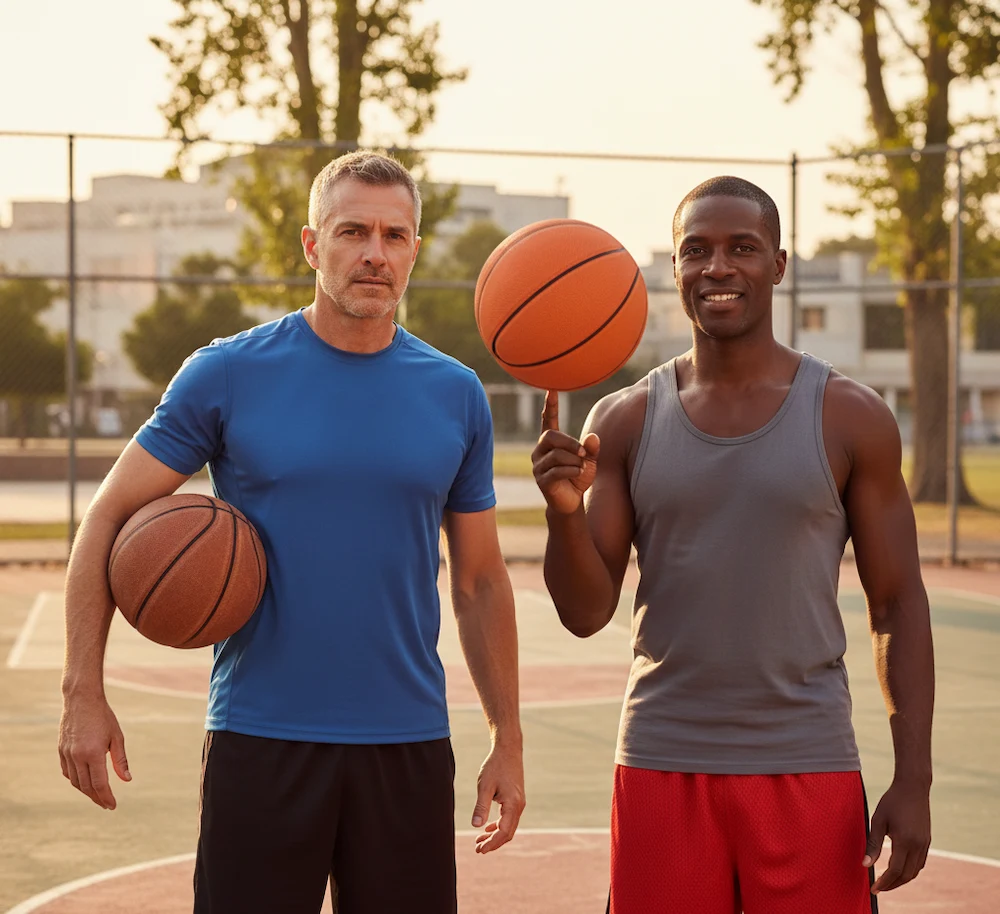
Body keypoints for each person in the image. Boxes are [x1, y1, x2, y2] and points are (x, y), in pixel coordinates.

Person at [58, 151, 525, 913]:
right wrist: (83, 690)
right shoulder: (227, 374)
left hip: (405, 744)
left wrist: (508, 738)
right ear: (313, 246)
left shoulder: (455, 394)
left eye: (395, 235)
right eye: (353, 231)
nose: (375, 253)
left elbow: (478, 580)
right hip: (261, 738)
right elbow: (107, 517)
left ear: (414, 249)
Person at [532, 176, 933, 914]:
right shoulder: (623, 419)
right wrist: (563, 512)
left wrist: (914, 780)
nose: (717, 268)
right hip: (660, 760)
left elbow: (897, 606)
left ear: (778, 264)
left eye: (741, 248)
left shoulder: (849, 416)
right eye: (696, 251)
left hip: (807, 765)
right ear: (674, 270)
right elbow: (587, 612)